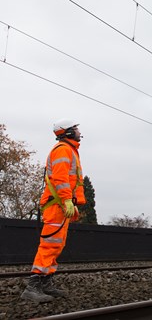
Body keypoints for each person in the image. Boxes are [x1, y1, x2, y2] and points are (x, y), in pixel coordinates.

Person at [21, 119, 86, 303]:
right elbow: (60, 179)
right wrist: (66, 200)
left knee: (56, 245)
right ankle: (32, 287)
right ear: (67, 133)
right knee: (49, 245)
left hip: (61, 205)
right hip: (57, 204)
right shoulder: (63, 150)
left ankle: (46, 283)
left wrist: (69, 203)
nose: (79, 131)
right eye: (75, 129)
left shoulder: (69, 150)